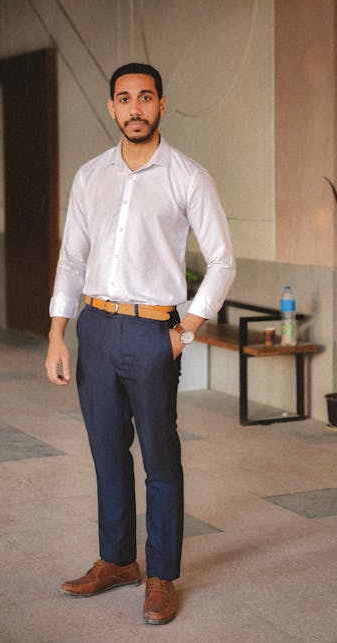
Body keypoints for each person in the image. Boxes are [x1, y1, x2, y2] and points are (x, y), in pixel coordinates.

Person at [46, 62, 235, 625]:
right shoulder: (90, 176)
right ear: (111, 107)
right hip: (96, 328)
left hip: (155, 331)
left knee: (160, 458)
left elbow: (223, 260)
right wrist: (58, 332)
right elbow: (73, 257)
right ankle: (117, 561)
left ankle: (160, 576)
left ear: (161, 104)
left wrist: (186, 330)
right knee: (107, 451)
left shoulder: (187, 175)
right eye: (124, 99)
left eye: (145, 98)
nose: (135, 108)